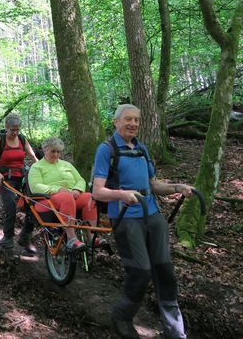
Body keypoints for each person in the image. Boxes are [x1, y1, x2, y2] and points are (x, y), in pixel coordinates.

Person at [92, 104, 193, 339]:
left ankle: (175, 331)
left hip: (152, 214)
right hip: (126, 216)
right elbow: (98, 191)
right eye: (128, 119)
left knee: (165, 271)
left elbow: (154, 185)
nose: (133, 124)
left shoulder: (142, 149)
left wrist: (178, 187)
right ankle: (122, 316)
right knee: (141, 271)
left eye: (137, 120)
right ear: (116, 122)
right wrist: (122, 194)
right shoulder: (106, 150)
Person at [27, 137, 97, 251]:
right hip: (46, 201)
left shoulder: (66, 165)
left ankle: (92, 237)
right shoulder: (37, 167)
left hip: (70, 196)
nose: (56, 154)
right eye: (53, 151)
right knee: (66, 197)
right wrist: (58, 189)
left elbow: (80, 180)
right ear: (45, 150)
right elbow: (35, 187)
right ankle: (71, 238)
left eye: (58, 152)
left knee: (89, 197)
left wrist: (77, 190)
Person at [0, 113, 39, 253]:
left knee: (33, 206)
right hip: (6, 179)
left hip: (22, 178)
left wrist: (42, 170)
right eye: (12, 130)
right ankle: (7, 237)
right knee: (11, 207)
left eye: (17, 130)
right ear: (6, 128)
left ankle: (25, 237)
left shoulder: (22, 139)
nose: (15, 133)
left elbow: (33, 157)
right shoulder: (0, 140)